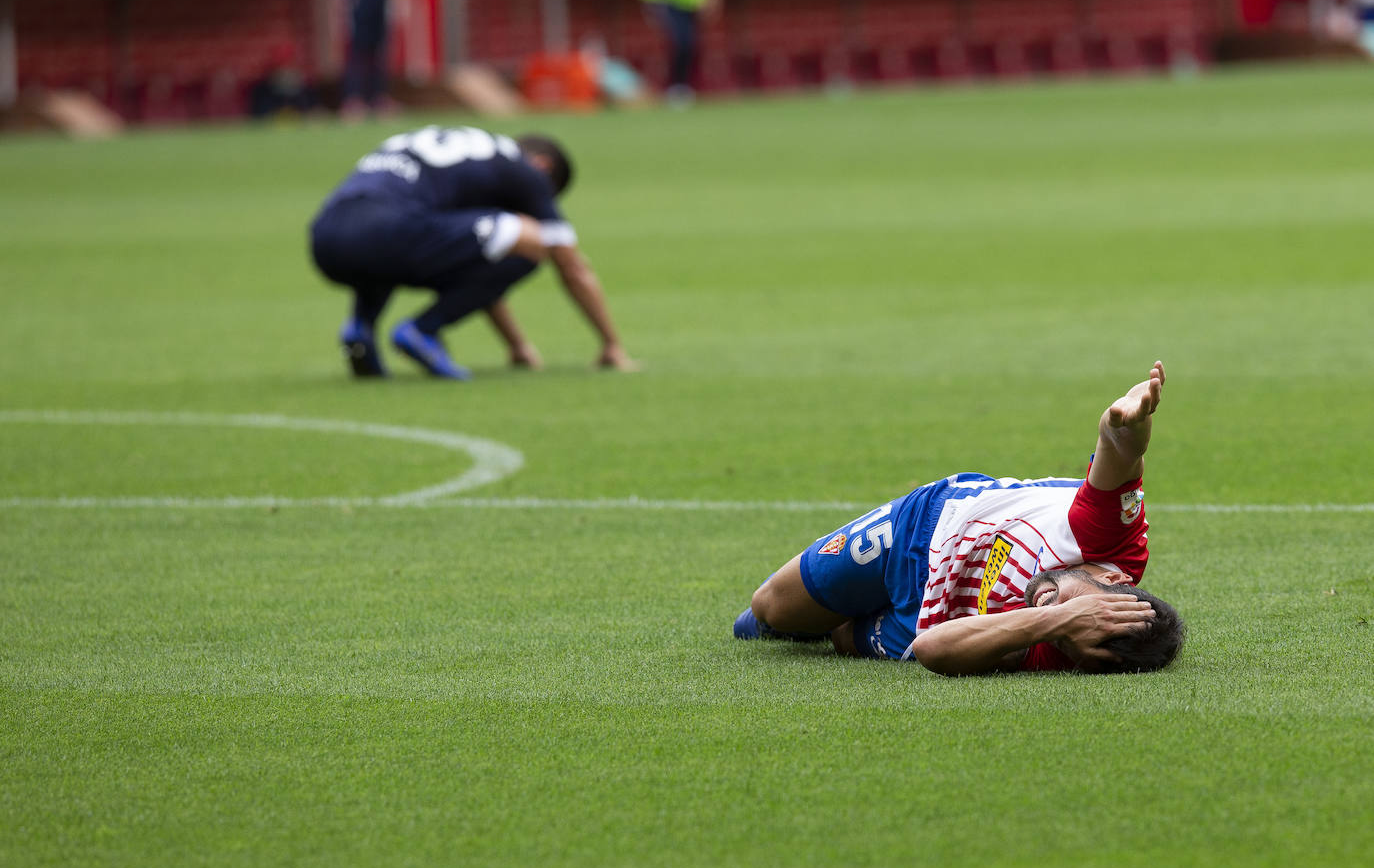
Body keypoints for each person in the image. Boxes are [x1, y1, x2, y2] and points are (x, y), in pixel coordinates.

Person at [734, 362, 1185, 675]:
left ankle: (835, 611)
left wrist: (1058, 625)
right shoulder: (1111, 542)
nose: (1051, 609)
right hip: (927, 526)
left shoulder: (1061, 643)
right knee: (769, 607)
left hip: (935, 618)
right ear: (1117, 584)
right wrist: (1124, 426)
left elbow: (934, 648)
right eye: (1079, 610)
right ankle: (786, 617)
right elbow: (1120, 453)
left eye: (1071, 634)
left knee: (841, 640)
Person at [309, 125, 637, 379]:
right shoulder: (522, 169)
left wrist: (517, 346)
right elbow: (571, 265)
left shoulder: (466, 158)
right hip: (393, 231)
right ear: (542, 166)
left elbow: (479, 267)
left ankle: (359, 328)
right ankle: (422, 329)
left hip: (325, 236)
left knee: (399, 240)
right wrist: (612, 344)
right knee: (533, 241)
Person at [635, 0, 721, 105]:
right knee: (682, 42)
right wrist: (650, 1)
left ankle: (685, 86)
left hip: (693, 3)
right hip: (669, 2)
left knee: (692, 44)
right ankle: (677, 86)